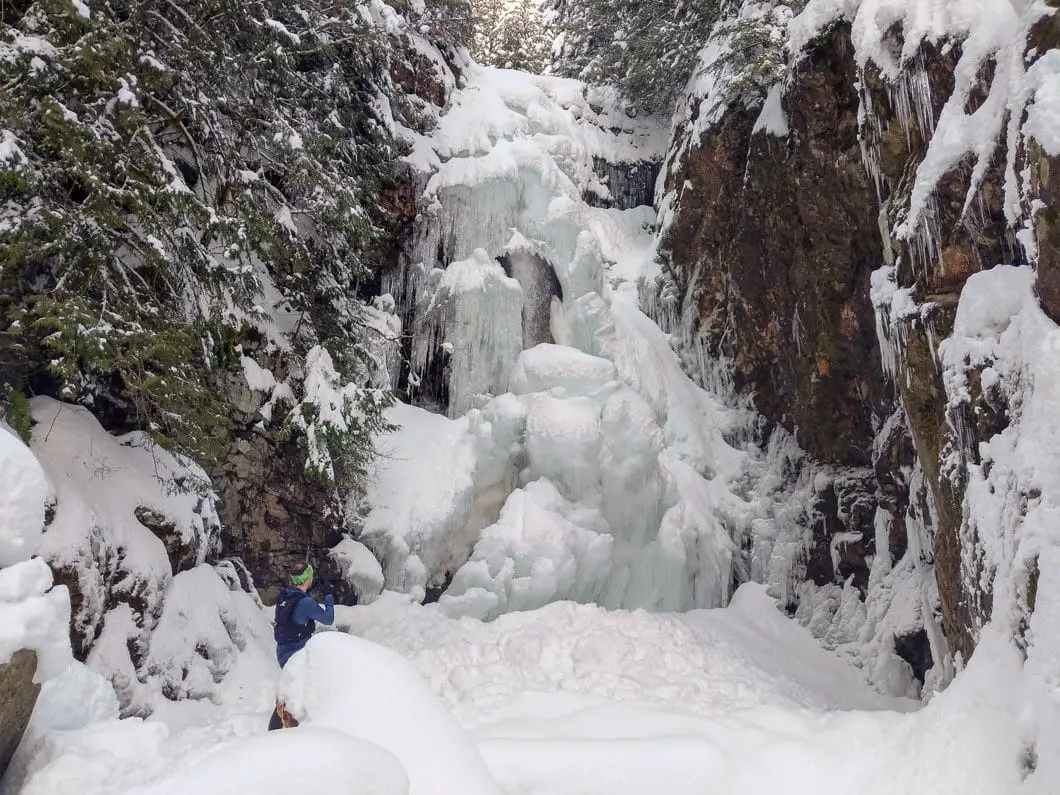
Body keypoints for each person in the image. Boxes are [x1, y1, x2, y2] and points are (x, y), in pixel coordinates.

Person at [268, 561, 335, 730]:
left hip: (282, 650)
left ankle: (279, 729)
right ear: (308, 578)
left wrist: (311, 588)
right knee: (293, 696)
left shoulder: (286, 595)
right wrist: (328, 596)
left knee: (291, 693)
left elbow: (297, 609)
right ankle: (284, 731)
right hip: (295, 654)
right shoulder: (306, 604)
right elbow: (328, 619)